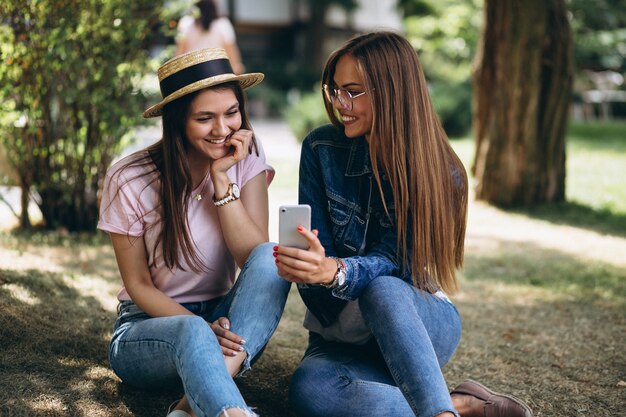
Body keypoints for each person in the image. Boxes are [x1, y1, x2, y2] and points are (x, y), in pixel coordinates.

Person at [273, 31, 534, 417]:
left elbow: (398, 264)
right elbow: (319, 287)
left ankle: (438, 413)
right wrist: (313, 270)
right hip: (342, 336)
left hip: (417, 325)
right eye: (336, 90)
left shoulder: (444, 174)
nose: (341, 104)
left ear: (392, 91)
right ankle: (458, 404)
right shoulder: (320, 149)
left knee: (383, 289)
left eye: (354, 92)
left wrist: (337, 272)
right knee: (313, 393)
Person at [98, 48, 290, 417]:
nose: (223, 130)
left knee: (271, 256)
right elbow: (138, 284)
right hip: (148, 330)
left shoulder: (244, 153)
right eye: (205, 118)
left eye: (231, 113)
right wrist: (201, 327)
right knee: (193, 332)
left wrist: (222, 180)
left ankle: (187, 408)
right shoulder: (130, 178)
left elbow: (252, 257)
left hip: (229, 321)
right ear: (178, 122)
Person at [175, 0, 245, 74]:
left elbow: (178, 59)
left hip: (192, 78)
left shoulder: (185, 23)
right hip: (218, 77)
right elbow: (235, 61)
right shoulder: (223, 24)